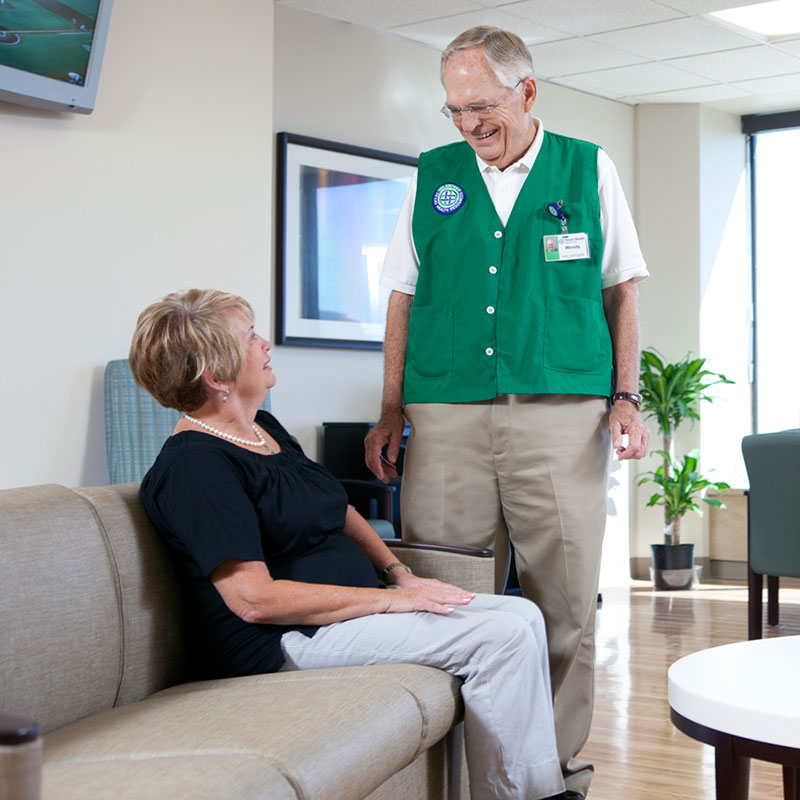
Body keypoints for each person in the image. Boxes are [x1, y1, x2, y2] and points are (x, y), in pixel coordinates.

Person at [130, 288, 575, 800]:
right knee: (501, 636)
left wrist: (398, 573)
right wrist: (393, 603)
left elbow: (336, 509)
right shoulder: (195, 466)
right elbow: (253, 600)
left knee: (524, 617)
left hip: (345, 617)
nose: (266, 344)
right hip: (284, 643)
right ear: (216, 375)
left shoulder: (262, 430)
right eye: (251, 338)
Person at [364, 26, 651, 799]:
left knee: (563, 604)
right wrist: (390, 407)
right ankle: (455, 776)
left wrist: (625, 398)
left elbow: (622, 288)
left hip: (561, 414)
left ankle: (547, 775)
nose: (467, 124)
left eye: (481, 106)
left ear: (527, 92)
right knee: (446, 602)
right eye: (454, 109)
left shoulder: (586, 166)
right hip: (447, 415)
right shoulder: (434, 176)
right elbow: (403, 295)